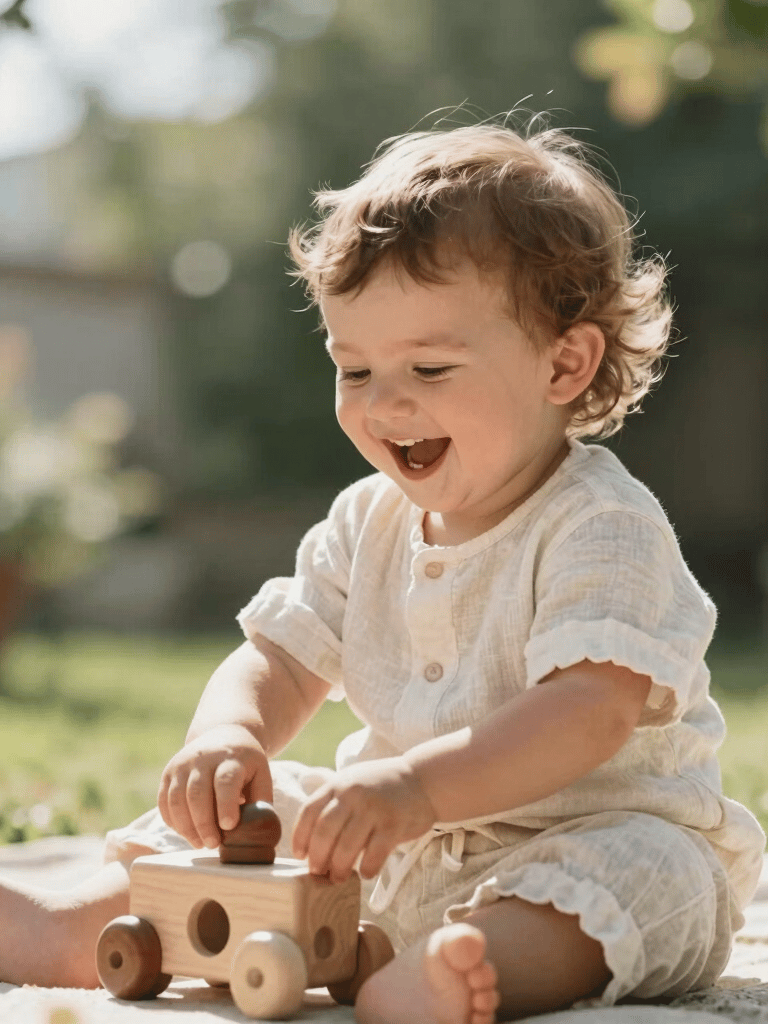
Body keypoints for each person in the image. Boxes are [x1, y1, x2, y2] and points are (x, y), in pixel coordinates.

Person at [0, 117, 764, 1024]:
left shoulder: (602, 524)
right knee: (277, 805)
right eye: (352, 367)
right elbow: (280, 655)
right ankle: (85, 924)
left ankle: (475, 966)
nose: (384, 403)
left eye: (430, 367)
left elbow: (588, 712)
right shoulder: (367, 520)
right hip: (389, 851)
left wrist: (420, 788)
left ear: (566, 362)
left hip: (570, 838)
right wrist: (227, 735)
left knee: (650, 872)